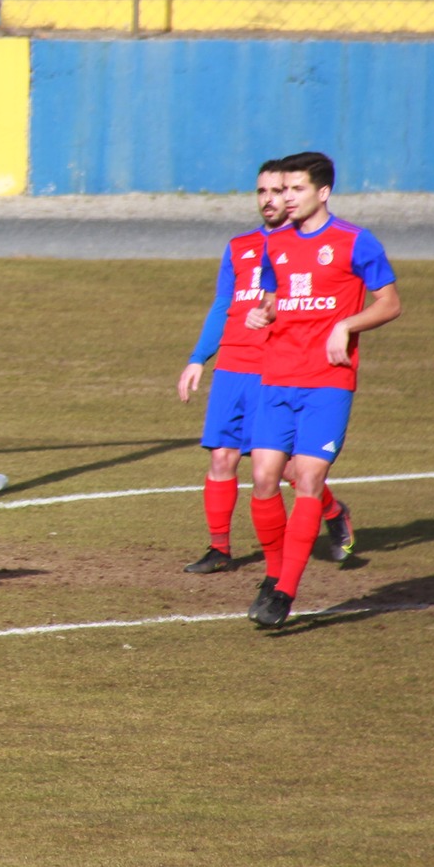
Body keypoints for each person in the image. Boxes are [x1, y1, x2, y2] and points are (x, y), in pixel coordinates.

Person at [242, 152, 400, 629]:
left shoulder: (355, 241)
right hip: (276, 376)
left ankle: (285, 593)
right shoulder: (276, 243)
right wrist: (262, 314)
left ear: (322, 192)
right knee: (266, 478)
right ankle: (273, 576)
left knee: (308, 479)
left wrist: (346, 326)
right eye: (281, 190)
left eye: (295, 189)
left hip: (328, 382)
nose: (284, 198)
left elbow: (390, 304)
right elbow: (274, 300)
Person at [177, 159, 351, 574]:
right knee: (221, 457)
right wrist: (199, 358)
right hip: (231, 369)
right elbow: (223, 304)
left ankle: (332, 512)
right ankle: (219, 548)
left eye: (279, 191)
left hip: (275, 370)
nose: (271, 200)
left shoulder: (302, 246)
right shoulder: (239, 247)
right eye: (262, 192)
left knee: (283, 468)